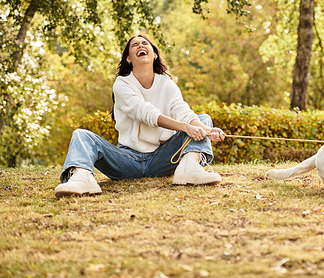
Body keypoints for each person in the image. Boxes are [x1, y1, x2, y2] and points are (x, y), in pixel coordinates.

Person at [54, 34, 225, 197]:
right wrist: (188, 128)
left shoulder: (167, 83)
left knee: (203, 119)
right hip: (127, 161)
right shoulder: (122, 84)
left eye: (145, 44)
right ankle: (81, 179)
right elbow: (146, 114)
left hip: (162, 160)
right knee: (81, 135)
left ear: (155, 54)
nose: (141, 46)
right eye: (135, 45)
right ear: (129, 58)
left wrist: (207, 130)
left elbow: (183, 111)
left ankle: (189, 170)